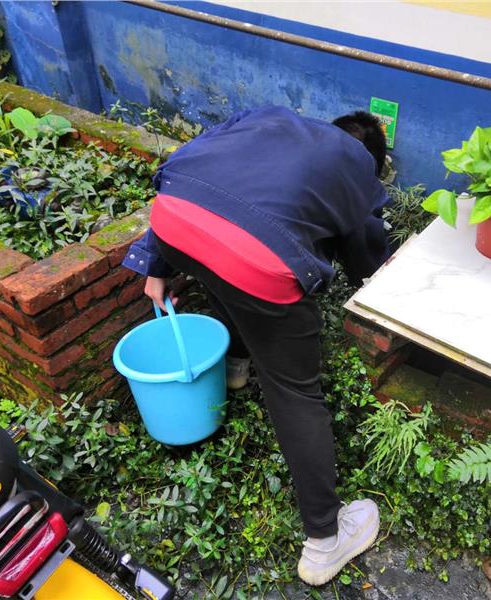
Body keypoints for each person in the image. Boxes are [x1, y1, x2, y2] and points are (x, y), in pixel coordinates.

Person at [123, 106, 390, 586]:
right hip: (256, 261)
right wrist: (378, 278)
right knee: (294, 391)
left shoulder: (270, 118)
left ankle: (236, 367)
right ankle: (326, 542)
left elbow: (202, 176)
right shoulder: (357, 166)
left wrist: (156, 264)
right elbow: (362, 251)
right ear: (373, 156)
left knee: (225, 269)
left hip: (174, 219)